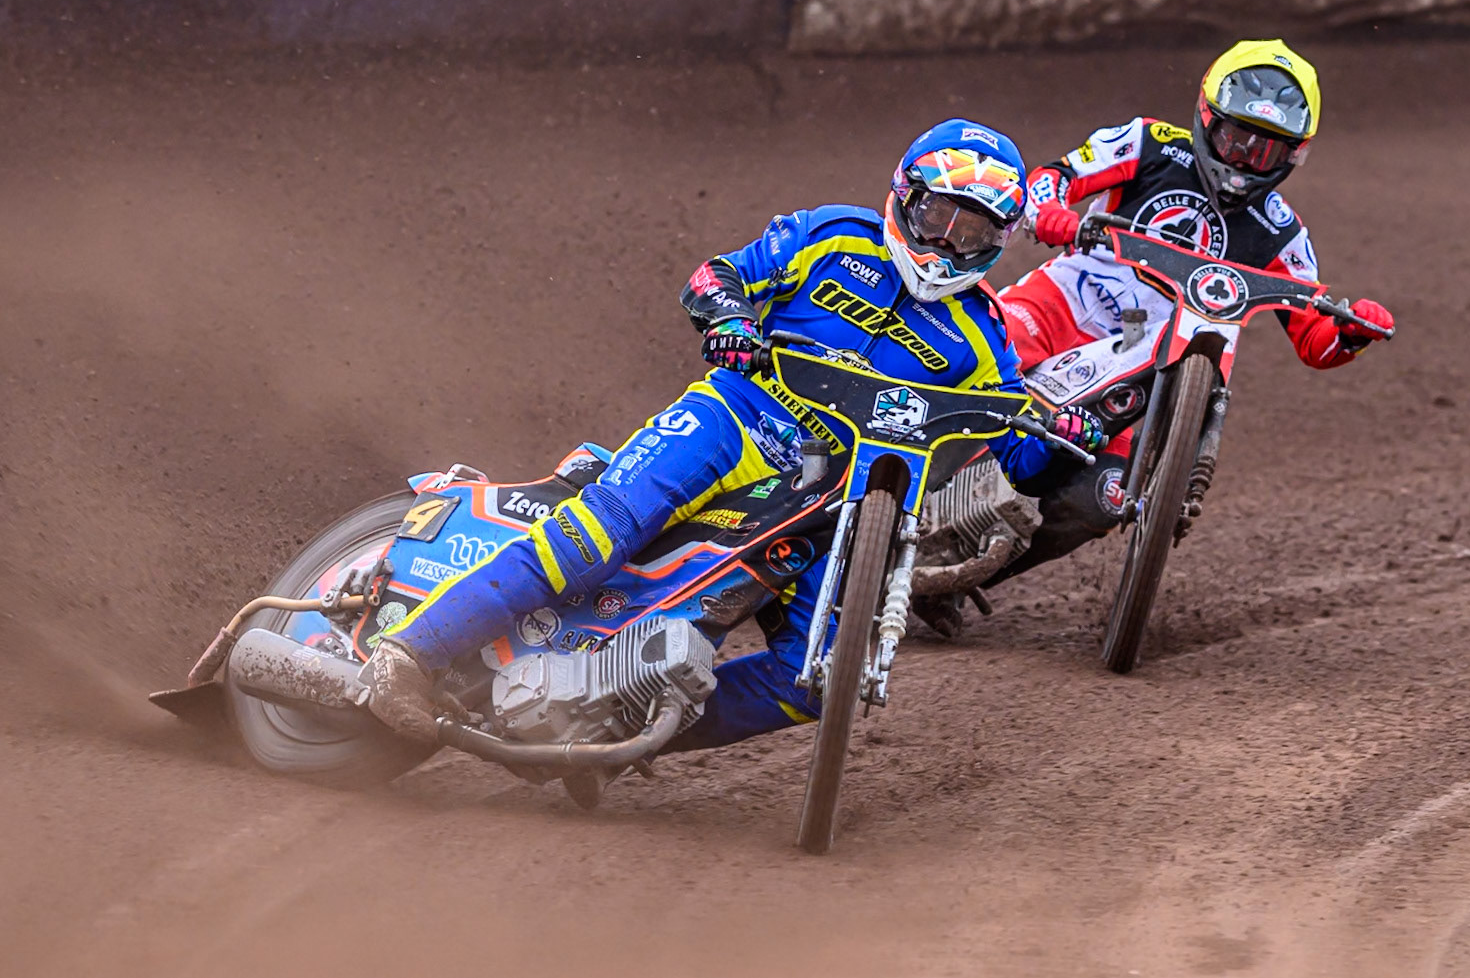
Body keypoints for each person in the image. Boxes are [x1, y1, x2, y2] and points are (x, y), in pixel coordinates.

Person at [362, 118, 1104, 749]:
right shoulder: (829, 237)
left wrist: (1070, 429)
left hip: (829, 505)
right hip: (735, 421)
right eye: (939, 216)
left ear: (996, 241)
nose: (947, 243)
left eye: (970, 231)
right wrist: (729, 319)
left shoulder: (981, 336)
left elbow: (1008, 445)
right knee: (594, 536)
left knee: (813, 678)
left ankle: (618, 728)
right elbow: (717, 276)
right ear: (904, 198)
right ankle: (407, 654)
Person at [978, 39, 1397, 591]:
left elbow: (1312, 338)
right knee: (966, 371)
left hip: (1154, 369)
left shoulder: (1280, 231)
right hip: (1062, 303)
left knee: (1104, 498)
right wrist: (1053, 216)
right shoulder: (1148, 143)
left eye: (1264, 150)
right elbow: (1051, 178)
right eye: (1234, 138)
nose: (1244, 159)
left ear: (1293, 154)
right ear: (1206, 117)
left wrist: (1350, 332)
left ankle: (972, 579)